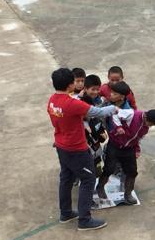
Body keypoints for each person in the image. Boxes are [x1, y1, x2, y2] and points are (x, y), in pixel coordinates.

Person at [47, 68, 115, 230]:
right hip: (76, 148)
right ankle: (84, 220)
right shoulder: (72, 103)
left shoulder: (52, 100)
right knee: (88, 179)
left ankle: (66, 212)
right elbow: (97, 112)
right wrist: (114, 108)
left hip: (61, 145)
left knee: (66, 178)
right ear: (70, 85)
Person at [97, 109, 155, 204]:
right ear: (145, 117)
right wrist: (118, 127)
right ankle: (100, 187)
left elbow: (138, 138)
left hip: (129, 148)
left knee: (132, 172)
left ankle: (128, 193)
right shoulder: (132, 114)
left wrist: (137, 149)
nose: (150, 126)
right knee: (109, 169)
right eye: (150, 123)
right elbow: (115, 115)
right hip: (114, 145)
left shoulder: (145, 128)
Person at [78, 74, 107, 176]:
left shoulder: (99, 100)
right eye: (93, 89)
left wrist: (102, 130)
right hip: (84, 138)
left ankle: (97, 170)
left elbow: (100, 115)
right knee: (84, 163)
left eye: (97, 89)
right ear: (85, 88)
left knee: (96, 157)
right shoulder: (78, 101)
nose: (95, 92)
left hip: (95, 135)